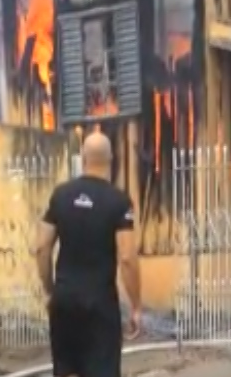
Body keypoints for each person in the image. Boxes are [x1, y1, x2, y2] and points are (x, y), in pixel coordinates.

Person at [36, 131, 142, 377]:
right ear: (110, 159)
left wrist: (51, 290)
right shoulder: (118, 201)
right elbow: (127, 257)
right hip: (99, 306)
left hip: (64, 302)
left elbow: (41, 248)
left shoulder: (60, 195)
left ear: (83, 158)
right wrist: (136, 306)